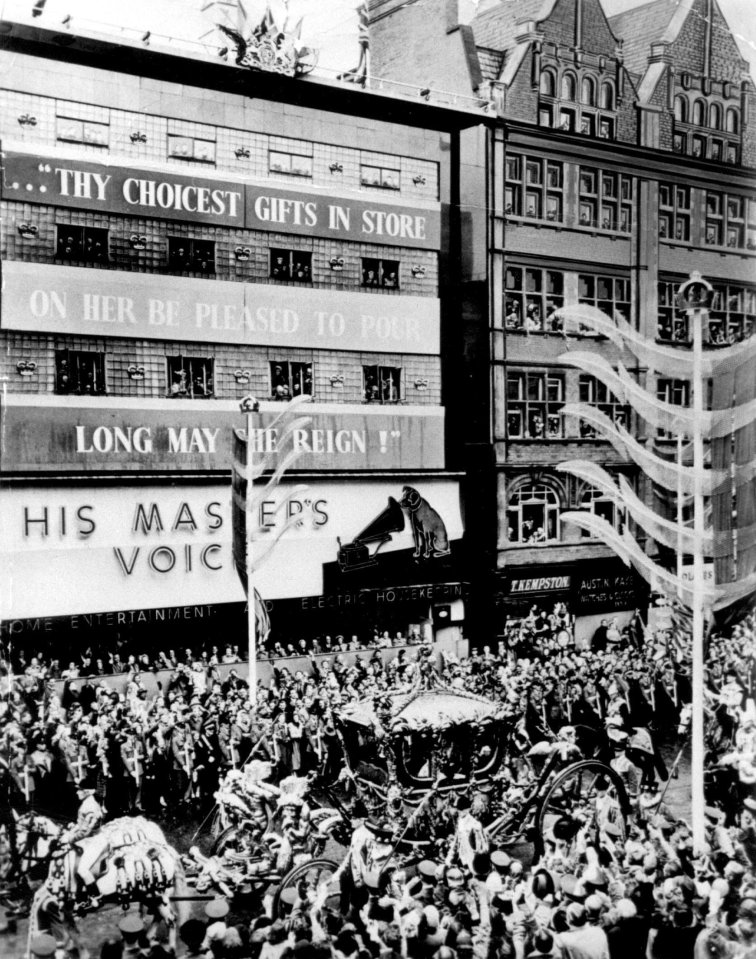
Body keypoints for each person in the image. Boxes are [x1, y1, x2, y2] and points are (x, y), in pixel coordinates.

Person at [64, 776, 105, 908]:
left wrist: (69, 838)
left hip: (95, 841)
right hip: (88, 840)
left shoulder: (91, 807)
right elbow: (81, 824)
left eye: (79, 790)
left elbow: (85, 831)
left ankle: (96, 897)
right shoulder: (86, 803)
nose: (77, 792)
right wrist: (73, 828)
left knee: (82, 869)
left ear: (87, 792)